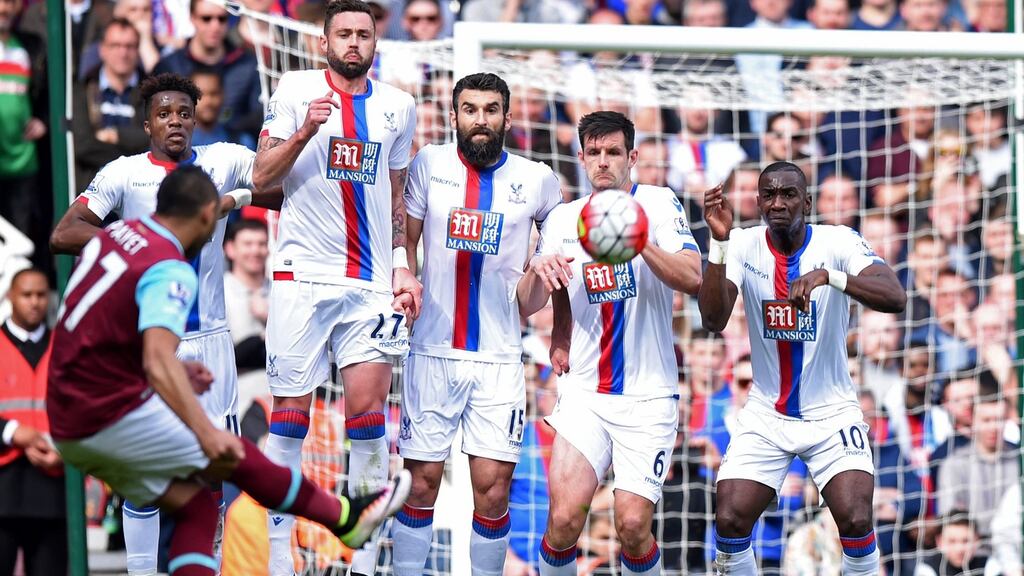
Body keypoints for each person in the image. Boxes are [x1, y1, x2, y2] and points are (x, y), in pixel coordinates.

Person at [47, 165, 411, 576]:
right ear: (207, 217)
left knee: (198, 500)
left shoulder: (111, 238)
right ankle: (343, 518)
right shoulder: (170, 267)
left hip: (65, 414)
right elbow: (156, 358)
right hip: (102, 415)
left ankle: (343, 518)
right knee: (227, 455)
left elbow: (102, 330)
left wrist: (173, 374)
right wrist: (205, 432)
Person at [50, 72, 268, 576]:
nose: (175, 122)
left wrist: (239, 198)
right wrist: (134, 241)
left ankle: (205, 566)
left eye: (184, 113)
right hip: (152, 341)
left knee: (216, 468)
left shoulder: (223, 159)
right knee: (146, 474)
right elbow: (66, 231)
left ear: (196, 118)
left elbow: (276, 187)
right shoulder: (124, 174)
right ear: (147, 122)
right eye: (164, 114)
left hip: (212, 340)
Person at [251, 1, 420, 573]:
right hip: (301, 277)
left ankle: (366, 561)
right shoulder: (295, 90)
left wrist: (401, 263)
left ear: (376, 43)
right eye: (343, 34)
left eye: (363, 34)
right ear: (323, 42)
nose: (353, 43)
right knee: (289, 418)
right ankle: (280, 559)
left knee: (369, 418)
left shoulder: (400, 107)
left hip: (370, 283)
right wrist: (304, 131)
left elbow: (397, 197)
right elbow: (260, 178)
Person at [698, 161, 907, 576]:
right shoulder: (741, 244)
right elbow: (713, 319)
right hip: (766, 412)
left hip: (831, 412)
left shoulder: (838, 242)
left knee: (856, 518)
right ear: (757, 202)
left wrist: (832, 277)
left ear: (807, 202)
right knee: (730, 518)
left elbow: (895, 296)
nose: (778, 203)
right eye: (769, 195)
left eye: (789, 194)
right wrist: (719, 244)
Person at [393, 72, 562, 576]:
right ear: (454, 117)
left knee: (492, 490)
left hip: (499, 357)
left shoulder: (538, 180)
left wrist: (542, 277)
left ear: (508, 117)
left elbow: (539, 282)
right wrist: (402, 273)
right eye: (470, 110)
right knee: (420, 482)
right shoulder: (429, 164)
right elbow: (406, 240)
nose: (481, 120)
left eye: (491, 110)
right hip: (432, 350)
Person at [520, 111, 702, 576]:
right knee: (562, 520)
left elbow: (693, 277)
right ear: (581, 158)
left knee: (634, 525)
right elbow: (529, 302)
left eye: (614, 152)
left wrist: (637, 240)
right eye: (594, 153)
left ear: (632, 157)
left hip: (648, 396)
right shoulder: (563, 218)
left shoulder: (659, 204)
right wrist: (543, 284)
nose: (604, 162)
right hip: (585, 393)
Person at [0, 268, 66, 576]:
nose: (35, 303)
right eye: (27, 295)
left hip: (52, 489)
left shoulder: (63, 349)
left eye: (41, 295)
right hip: (4, 486)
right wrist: (14, 433)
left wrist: (62, 450)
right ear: (10, 297)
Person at [72, 18, 149, 195]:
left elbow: (154, 139)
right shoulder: (81, 90)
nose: (123, 53)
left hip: (138, 193)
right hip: (92, 192)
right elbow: (83, 146)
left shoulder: (152, 93)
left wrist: (116, 135)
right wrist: (132, 153)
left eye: (130, 46)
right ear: (103, 50)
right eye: (116, 45)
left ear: (138, 51)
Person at [223, 219, 270, 371]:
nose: (255, 251)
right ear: (230, 249)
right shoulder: (219, 293)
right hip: (240, 389)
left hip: (282, 390)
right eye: (248, 244)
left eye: (262, 244)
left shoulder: (281, 289)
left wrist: (269, 317)